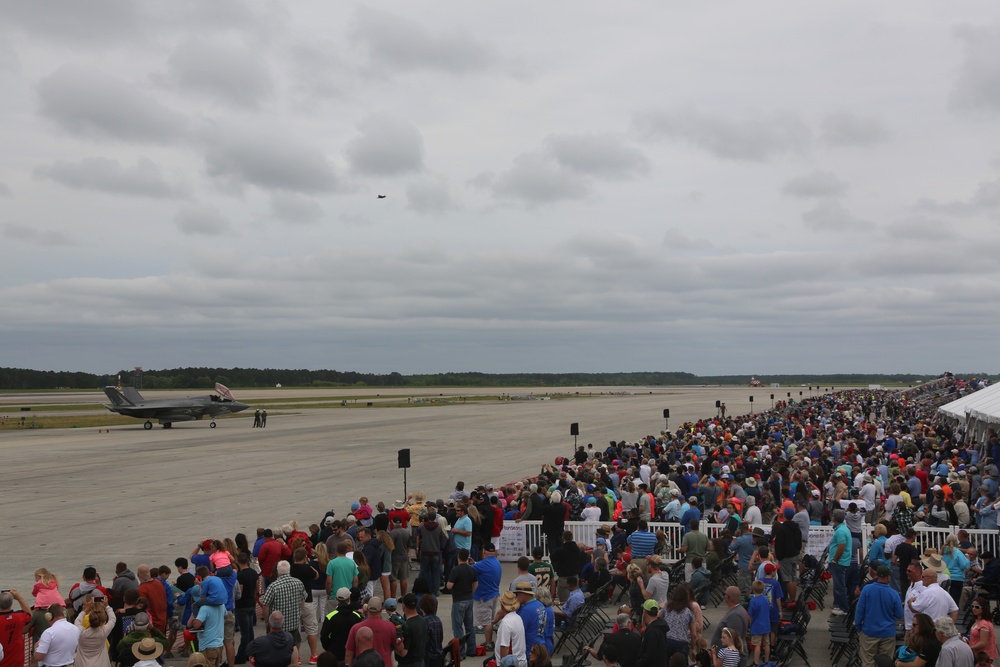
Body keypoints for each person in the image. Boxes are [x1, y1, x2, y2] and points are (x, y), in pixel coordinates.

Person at [856, 565, 904, 667]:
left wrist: (859, 627)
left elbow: (859, 611)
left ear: (877, 575)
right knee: (885, 662)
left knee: (867, 662)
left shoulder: (867, 589)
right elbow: (899, 614)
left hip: (869, 632)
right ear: (888, 577)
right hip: (887, 633)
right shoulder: (894, 593)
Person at [345, 597, 398, 667]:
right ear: (381, 610)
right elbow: (398, 648)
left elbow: (349, 654)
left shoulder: (356, 628)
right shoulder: (390, 626)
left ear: (367, 609)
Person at [447, 548, 477, 658]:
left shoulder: (456, 570)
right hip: (469, 599)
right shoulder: (472, 569)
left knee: (458, 627)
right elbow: (476, 583)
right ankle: (472, 649)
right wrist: (471, 592)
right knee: (470, 626)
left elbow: (449, 585)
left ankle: (460, 652)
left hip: (458, 600)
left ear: (458, 557)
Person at [473, 542, 502, 653]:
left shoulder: (482, 565)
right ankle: (488, 641)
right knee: (489, 620)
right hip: (493, 595)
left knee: (486, 623)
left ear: (484, 551)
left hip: (484, 597)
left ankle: (489, 643)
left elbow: (469, 569)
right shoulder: (496, 562)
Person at [321, 587, 362, 663]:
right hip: (352, 656)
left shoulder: (330, 617)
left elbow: (323, 637)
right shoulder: (357, 616)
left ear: (337, 599)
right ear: (349, 598)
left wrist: (330, 648)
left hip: (335, 655)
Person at [74, 595, 116, 667]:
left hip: (82, 663)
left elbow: (77, 620)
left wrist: (86, 610)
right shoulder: (103, 633)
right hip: (100, 663)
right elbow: (113, 619)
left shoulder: (82, 633)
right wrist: (107, 606)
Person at [709, 587, 748, 658]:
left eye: (725, 594)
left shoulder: (734, 615)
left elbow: (735, 640)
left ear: (728, 597)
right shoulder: (738, 610)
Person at [660, 586, 697, 660]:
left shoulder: (668, 607)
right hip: (681, 643)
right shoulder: (688, 612)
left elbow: (658, 616)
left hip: (667, 640)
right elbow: (694, 634)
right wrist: (693, 647)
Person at [829, 509, 852, 615]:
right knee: (838, 585)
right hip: (841, 562)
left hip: (839, 562)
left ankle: (844, 608)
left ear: (834, 518)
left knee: (839, 586)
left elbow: (841, 547)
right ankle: (838, 605)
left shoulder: (841, 531)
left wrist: (834, 560)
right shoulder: (842, 529)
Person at [0, 589, 31, 667]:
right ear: (11, 603)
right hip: (17, 660)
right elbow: (30, 614)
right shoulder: (19, 616)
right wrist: (19, 598)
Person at [495, 591, 527, 667]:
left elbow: (505, 647)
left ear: (502, 606)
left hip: (511, 663)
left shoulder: (506, 623)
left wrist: (502, 664)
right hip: (520, 660)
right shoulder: (518, 617)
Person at [394, 594, 427, 667]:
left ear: (403, 606)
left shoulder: (407, 626)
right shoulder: (423, 621)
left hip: (408, 663)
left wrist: (393, 644)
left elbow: (403, 652)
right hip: (421, 662)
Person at [635, 599, 668, 667]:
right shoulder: (660, 627)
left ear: (645, 612)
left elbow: (650, 655)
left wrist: (639, 663)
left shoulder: (652, 631)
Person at [967, 598, 998, 664]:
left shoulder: (984, 624)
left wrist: (968, 648)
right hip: (976, 654)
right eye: (972, 606)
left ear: (983, 608)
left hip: (983, 657)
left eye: (977, 607)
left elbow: (983, 643)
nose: (974, 609)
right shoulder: (977, 621)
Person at [748, 581, 771, 666]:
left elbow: (750, 614)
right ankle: (766, 660)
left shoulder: (753, 601)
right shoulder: (765, 599)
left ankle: (756, 661)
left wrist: (749, 622)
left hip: (757, 626)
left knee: (757, 645)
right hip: (766, 625)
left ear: (753, 590)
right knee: (766, 644)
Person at [419, 596, 443, 667]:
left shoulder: (424, 621)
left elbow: (425, 641)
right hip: (438, 653)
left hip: (428, 655)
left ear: (422, 608)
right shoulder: (438, 619)